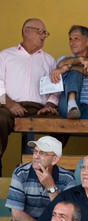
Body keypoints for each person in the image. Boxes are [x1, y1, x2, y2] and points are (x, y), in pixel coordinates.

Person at [0, 18, 59, 176]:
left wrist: (50, 106)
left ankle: (45, 166)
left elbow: (55, 91)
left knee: (63, 125)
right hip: (9, 107)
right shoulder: (6, 55)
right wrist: (10, 104)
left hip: (38, 109)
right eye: (40, 31)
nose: (43, 35)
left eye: (45, 32)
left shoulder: (49, 60)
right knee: (0, 119)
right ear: (26, 31)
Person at [50, 25, 88, 125]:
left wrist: (69, 67)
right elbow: (61, 64)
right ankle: (72, 104)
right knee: (74, 73)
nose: (72, 43)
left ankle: (73, 107)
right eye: (70, 39)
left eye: (76, 39)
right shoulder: (63, 59)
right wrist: (80, 60)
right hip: (65, 106)